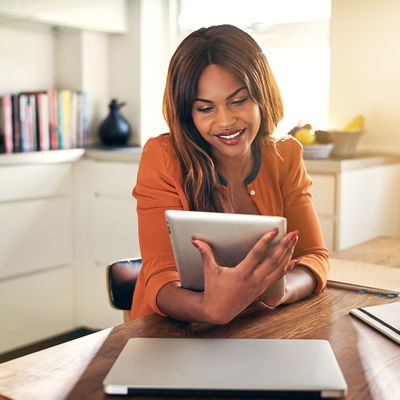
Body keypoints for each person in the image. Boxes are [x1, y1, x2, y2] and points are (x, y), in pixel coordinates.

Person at [130, 24, 328, 324]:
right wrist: (211, 309)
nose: (225, 121)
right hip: (174, 333)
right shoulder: (162, 156)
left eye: (238, 101)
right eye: (206, 109)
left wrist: (279, 292)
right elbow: (159, 278)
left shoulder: (285, 154)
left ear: (262, 96)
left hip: (255, 324)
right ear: (188, 114)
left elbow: (315, 256)